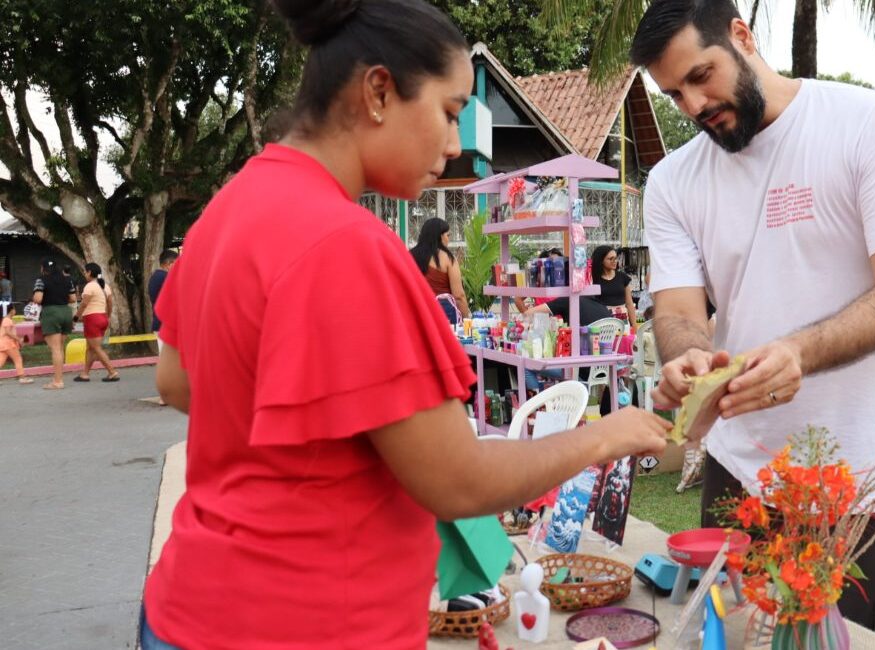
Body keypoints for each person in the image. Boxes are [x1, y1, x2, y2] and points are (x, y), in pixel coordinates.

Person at [141, 3, 670, 649]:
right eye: (450, 113)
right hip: (310, 623)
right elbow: (456, 479)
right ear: (379, 91)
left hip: (189, 605)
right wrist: (603, 435)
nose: (456, 144)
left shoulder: (226, 213)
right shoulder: (348, 245)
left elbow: (176, 381)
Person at [631, 0, 875, 640]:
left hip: (866, 468)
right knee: (731, 633)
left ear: (743, 37)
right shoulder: (672, 181)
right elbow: (679, 309)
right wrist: (687, 356)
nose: (693, 106)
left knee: (849, 640)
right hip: (740, 463)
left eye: (701, 76)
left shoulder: (870, 125)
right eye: (673, 94)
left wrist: (799, 351)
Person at [409, 217, 469, 320]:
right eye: (448, 235)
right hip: (442, 317)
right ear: (439, 236)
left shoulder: (409, 256)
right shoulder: (448, 258)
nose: (448, 239)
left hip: (416, 315)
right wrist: (467, 319)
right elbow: (459, 295)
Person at [30, 259, 76, 390]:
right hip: (66, 312)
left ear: (43, 268)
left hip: (51, 313)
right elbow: (73, 298)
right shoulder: (68, 279)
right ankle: (58, 378)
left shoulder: (41, 279)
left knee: (55, 349)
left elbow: (38, 299)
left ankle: (58, 381)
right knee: (60, 348)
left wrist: (39, 297)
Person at [74, 262, 119, 382]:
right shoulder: (105, 286)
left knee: (96, 348)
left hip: (92, 319)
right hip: (102, 318)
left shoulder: (90, 286)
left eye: (85, 271)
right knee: (91, 348)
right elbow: (110, 303)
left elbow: (84, 304)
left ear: (89, 272)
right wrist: (108, 316)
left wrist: (76, 317)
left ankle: (112, 372)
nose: (84, 273)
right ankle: (85, 374)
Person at [592, 245, 638, 333]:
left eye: (615, 258)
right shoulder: (594, 279)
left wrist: (634, 325)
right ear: (601, 260)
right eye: (610, 259)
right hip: (602, 323)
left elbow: (629, 303)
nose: (614, 261)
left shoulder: (622, 277)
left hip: (623, 322)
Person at [148, 250, 178, 351]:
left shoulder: (155, 276)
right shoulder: (165, 277)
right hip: (166, 323)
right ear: (169, 264)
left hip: (159, 321)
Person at [1, 304, 34, 384]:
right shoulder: (7, 320)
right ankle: (22, 378)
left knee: (1, 361)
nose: (15, 311)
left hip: (3, 344)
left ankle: (22, 377)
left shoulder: (5, 320)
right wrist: (18, 339)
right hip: (8, 344)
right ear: (11, 310)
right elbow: (8, 332)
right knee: (18, 359)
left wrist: (18, 340)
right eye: (14, 309)